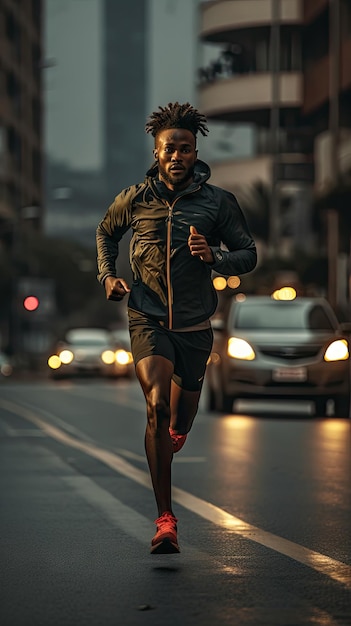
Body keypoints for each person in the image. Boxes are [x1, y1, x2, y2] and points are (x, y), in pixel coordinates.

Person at [96, 102, 257, 554]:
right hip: (147, 318)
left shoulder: (218, 203)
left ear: (195, 152)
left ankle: (179, 430)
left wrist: (216, 258)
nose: (177, 157)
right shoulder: (135, 199)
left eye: (185, 149)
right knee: (155, 407)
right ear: (156, 152)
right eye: (170, 149)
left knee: (180, 417)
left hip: (194, 325)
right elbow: (106, 232)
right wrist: (108, 275)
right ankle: (165, 519)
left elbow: (248, 252)